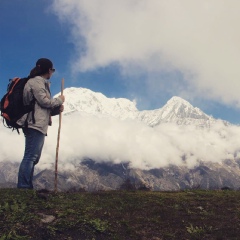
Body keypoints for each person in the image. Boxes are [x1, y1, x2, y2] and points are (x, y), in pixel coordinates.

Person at [17, 58, 65, 189]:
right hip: (34, 124)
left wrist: (55, 111)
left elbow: (41, 108)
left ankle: (27, 186)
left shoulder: (39, 82)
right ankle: (23, 187)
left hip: (37, 123)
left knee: (33, 157)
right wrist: (59, 100)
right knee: (30, 157)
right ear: (48, 70)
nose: (52, 73)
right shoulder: (37, 82)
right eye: (52, 70)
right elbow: (44, 102)